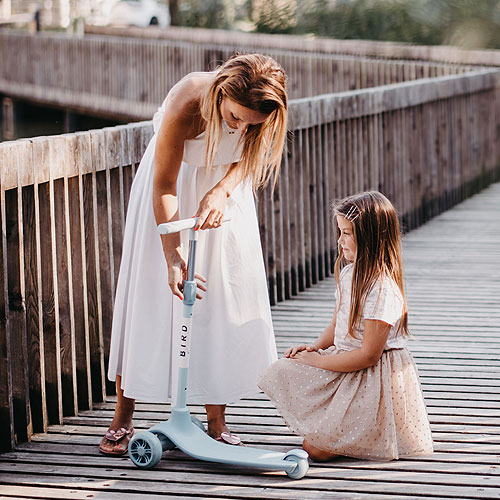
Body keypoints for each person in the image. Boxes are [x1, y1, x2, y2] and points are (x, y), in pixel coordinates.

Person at [98, 53, 288, 455]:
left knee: (215, 301)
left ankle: (216, 422)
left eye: (249, 123)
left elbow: (246, 160)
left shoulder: (260, 110)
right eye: (235, 118)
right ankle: (123, 415)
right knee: (149, 298)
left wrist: (222, 190)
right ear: (221, 94)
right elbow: (164, 184)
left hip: (219, 199)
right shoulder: (188, 99)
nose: (240, 126)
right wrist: (173, 254)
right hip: (169, 198)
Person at [258, 191, 434, 461]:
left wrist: (316, 363)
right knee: (282, 370)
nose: (340, 241)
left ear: (372, 237)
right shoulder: (350, 272)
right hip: (345, 360)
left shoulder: (382, 288)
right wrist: (315, 348)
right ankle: (334, 426)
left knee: (315, 450)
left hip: (373, 376)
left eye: (347, 233)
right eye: (340, 232)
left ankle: (364, 430)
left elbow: (368, 356)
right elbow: (338, 322)